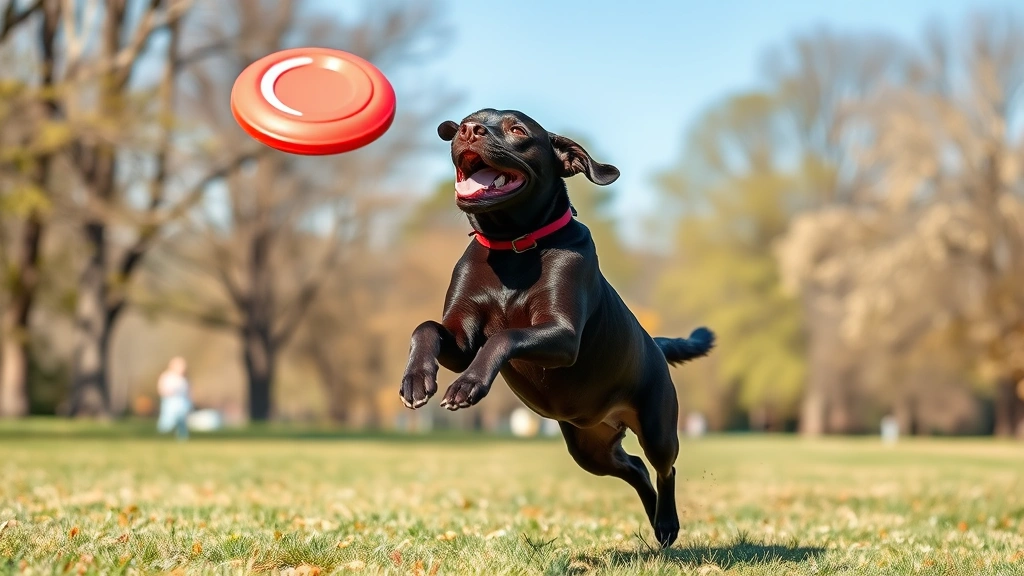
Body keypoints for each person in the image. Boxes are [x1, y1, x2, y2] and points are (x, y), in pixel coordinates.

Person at [157, 356, 192, 440]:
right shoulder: (167, 376)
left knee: (182, 421)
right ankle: (163, 434)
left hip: (182, 403)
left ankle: (182, 437)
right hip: (170, 402)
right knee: (168, 419)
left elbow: (188, 390)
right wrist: (167, 392)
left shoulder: (184, 378)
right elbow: (161, 388)